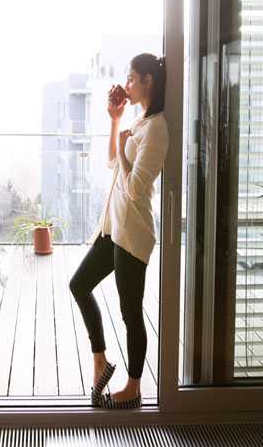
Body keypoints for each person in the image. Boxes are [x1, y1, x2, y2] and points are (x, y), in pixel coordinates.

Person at [69, 52, 169, 410]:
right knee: (79, 284)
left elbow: (137, 188)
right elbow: (114, 162)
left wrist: (126, 152)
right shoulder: (140, 121)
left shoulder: (157, 127)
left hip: (134, 232)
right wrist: (115, 122)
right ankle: (101, 362)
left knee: (130, 312)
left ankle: (134, 386)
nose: (127, 85)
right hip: (113, 227)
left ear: (147, 83)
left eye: (131, 79)